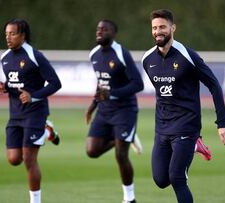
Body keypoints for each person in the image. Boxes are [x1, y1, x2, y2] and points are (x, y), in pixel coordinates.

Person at [142, 9, 225, 203]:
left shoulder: (187, 56)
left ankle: (192, 141)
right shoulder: (147, 59)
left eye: (162, 27)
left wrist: (222, 123)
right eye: (154, 28)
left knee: (177, 178)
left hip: (186, 125)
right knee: (160, 180)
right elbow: (163, 93)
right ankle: (194, 145)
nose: (158, 31)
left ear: (173, 28)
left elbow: (214, 85)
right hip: (162, 127)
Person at [0, 19, 62, 203]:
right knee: (14, 159)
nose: (8, 37)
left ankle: (35, 201)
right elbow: (15, 84)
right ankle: (48, 129)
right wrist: (5, 87)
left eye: (12, 34)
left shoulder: (35, 56)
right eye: (6, 34)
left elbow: (56, 83)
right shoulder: (5, 57)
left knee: (28, 159)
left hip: (35, 113)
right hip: (15, 115)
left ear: (22, 35)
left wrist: (34, 96)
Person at [85, 19, 144, 203]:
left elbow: (138, 84)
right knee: (92, 151)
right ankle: (127, 137)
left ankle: (129, 198)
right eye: (98, 29)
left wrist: (112, 94)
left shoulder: (121, 54)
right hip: (104, 111)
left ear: (114, 33)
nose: (99, 31)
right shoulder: (94, 54)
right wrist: (93, 105)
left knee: (121, 155)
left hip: (124, 110)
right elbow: (101, 83)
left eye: (104, 29)